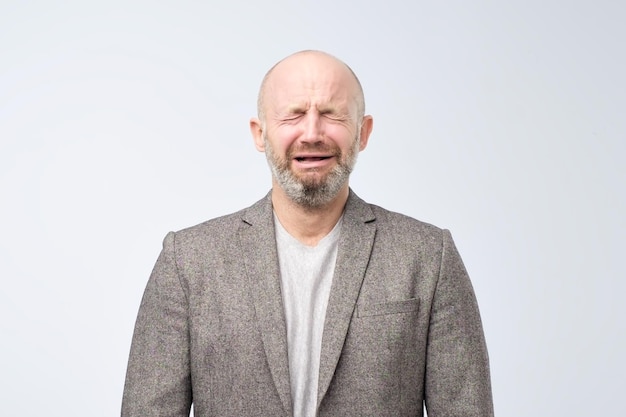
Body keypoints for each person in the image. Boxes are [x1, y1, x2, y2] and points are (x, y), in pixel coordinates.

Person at [121, 50, 494, 417]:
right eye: (293, 115)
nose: (312, 132)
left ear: (362, 132)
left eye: (331, 114)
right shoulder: (187, 260)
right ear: (260, 134)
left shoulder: (429, 255)